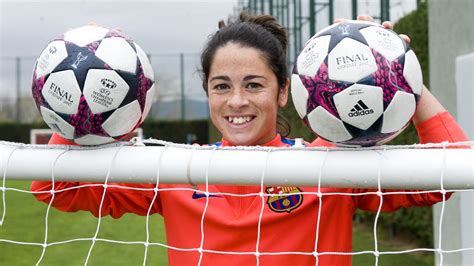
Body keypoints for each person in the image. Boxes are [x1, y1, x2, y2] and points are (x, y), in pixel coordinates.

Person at [31, 13, 467, 265]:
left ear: (282, 92)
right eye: (221, 86)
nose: (237, 101)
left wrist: (397, 68)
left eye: (254, 85)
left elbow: (453, 167)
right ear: (207, 96)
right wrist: (79, 94)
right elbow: (52, 186)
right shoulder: (174, 172)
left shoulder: (330, 166)